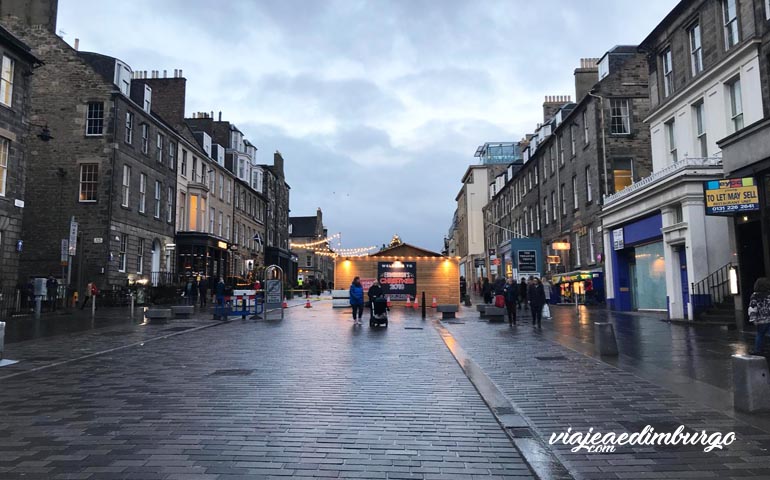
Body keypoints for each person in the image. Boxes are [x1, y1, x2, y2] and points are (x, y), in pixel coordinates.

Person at [749, 277, 770, 355]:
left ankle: (758, 350)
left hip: (760, 320)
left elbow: (752, 307)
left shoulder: (755, 296)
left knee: (760, 334)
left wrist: (753, 319)